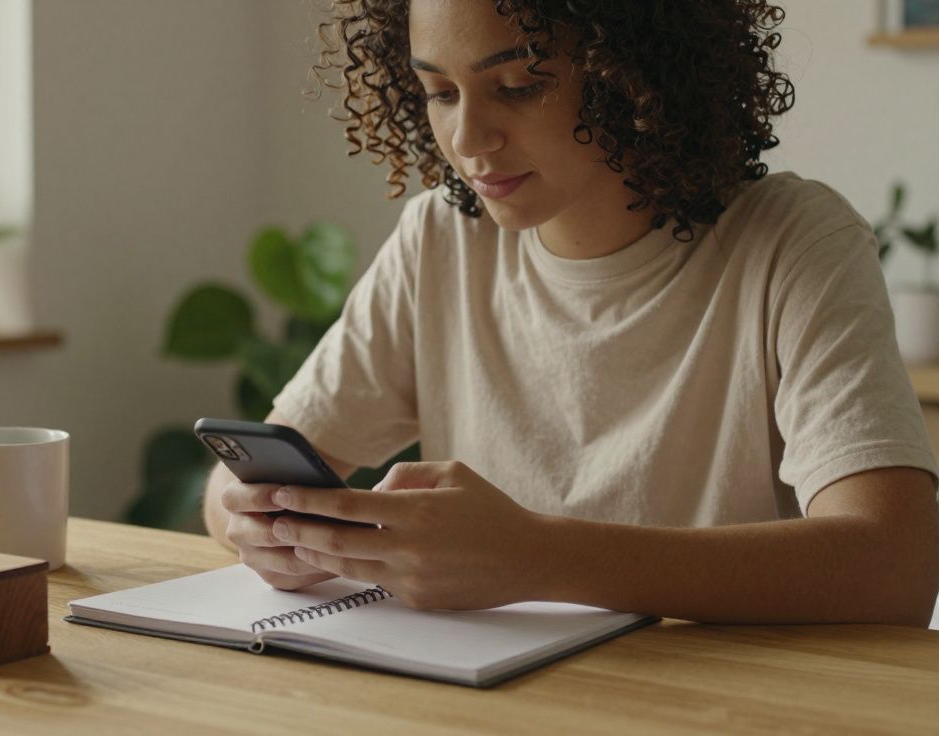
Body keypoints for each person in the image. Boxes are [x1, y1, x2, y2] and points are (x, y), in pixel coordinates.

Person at [203, 0, 939, 625]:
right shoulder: (441, 240)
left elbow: (895, 565)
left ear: (636, 73)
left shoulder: (791, 242)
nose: (467, 141)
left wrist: (539, 557)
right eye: (440, 92)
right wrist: (261, 524)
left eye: (519, 86)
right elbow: (236, 487)